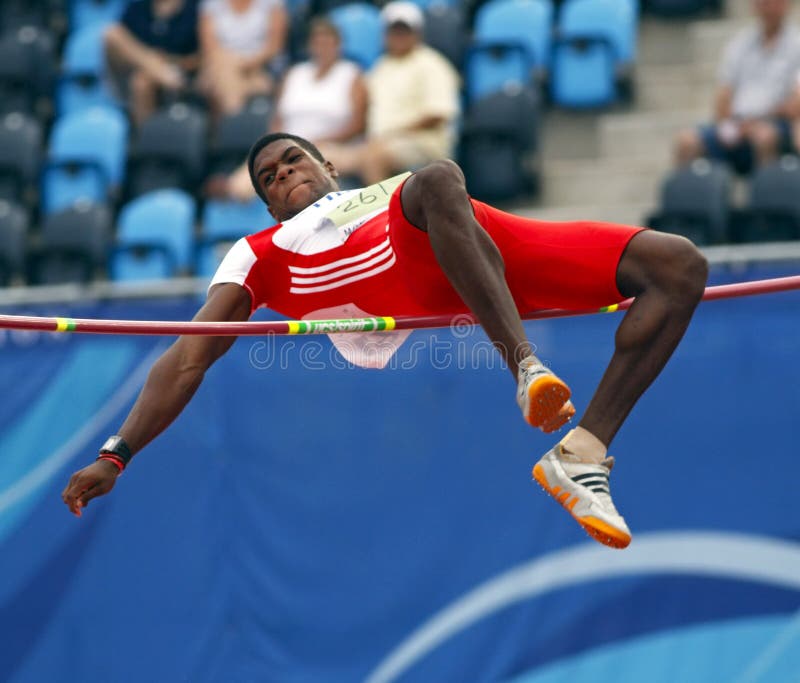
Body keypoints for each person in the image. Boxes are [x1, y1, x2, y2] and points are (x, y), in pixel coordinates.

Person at [62, 132, 708, 550]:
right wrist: (116, 454)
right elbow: (186, 358)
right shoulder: (260, 251)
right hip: (408, 256)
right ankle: (525, 367)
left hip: (480, 243)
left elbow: (435, 196)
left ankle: (582, 452)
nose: (284, 174)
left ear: (327, 164)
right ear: (266, 204)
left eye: (294, 159)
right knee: (434, 177)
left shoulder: (383, 190)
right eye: (269, 177)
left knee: (678, 268)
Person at [212, 17, 367, 202]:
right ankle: (231, 193)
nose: (322, 47)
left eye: (327, 42)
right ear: (310, 45)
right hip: (289, 146)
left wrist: (317, 142)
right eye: (318, 42)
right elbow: (277, 118)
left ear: (338, 45)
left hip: (332, 145)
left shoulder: (351, 74)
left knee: (302, 167)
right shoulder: (295, 74)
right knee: (250, 176)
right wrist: (274, 145)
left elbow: (358, 125)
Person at [326, 1, 460, 185]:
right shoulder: (381, 67)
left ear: (417, 33)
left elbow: (437, 114)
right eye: (393, 31)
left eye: (404, 30)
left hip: (422, 143)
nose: (399, 36)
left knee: (374, 157)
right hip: (376, 142)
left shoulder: (432, 64)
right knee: (324, 158)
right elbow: (363, 110)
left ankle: (384, 213)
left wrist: (393, 134)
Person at [673, 0, 800, 174]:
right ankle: (688, 199)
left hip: (776, 124)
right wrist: (733, 125)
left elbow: (795, 104)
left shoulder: (796, 44)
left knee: (765, 136)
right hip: (737, 124)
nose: (767, 6)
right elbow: (723, 96)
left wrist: (754, 123)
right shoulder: (739, 44)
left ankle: (767, 197)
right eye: (762, 2)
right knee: (687, 140)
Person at [104, 0, 200, 126]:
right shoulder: (137, 9)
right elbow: (122, 47)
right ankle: (146, 141)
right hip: (148, 74)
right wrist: (153, 64)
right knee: (141, 80)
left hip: (186, 78)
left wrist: (170, 61)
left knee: (144, 79)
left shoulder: (195, 8)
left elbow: (203, 57)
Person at [199, 0, 288, 117]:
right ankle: (237, 118)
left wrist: (247, 63)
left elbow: (274, 46)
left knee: (225, 79)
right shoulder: (212, 5)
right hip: (222, 65)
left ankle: (234, 121)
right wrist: (234, 63)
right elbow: (210, 48)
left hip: (260, 67)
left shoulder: (271, 4)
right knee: (224, 71)